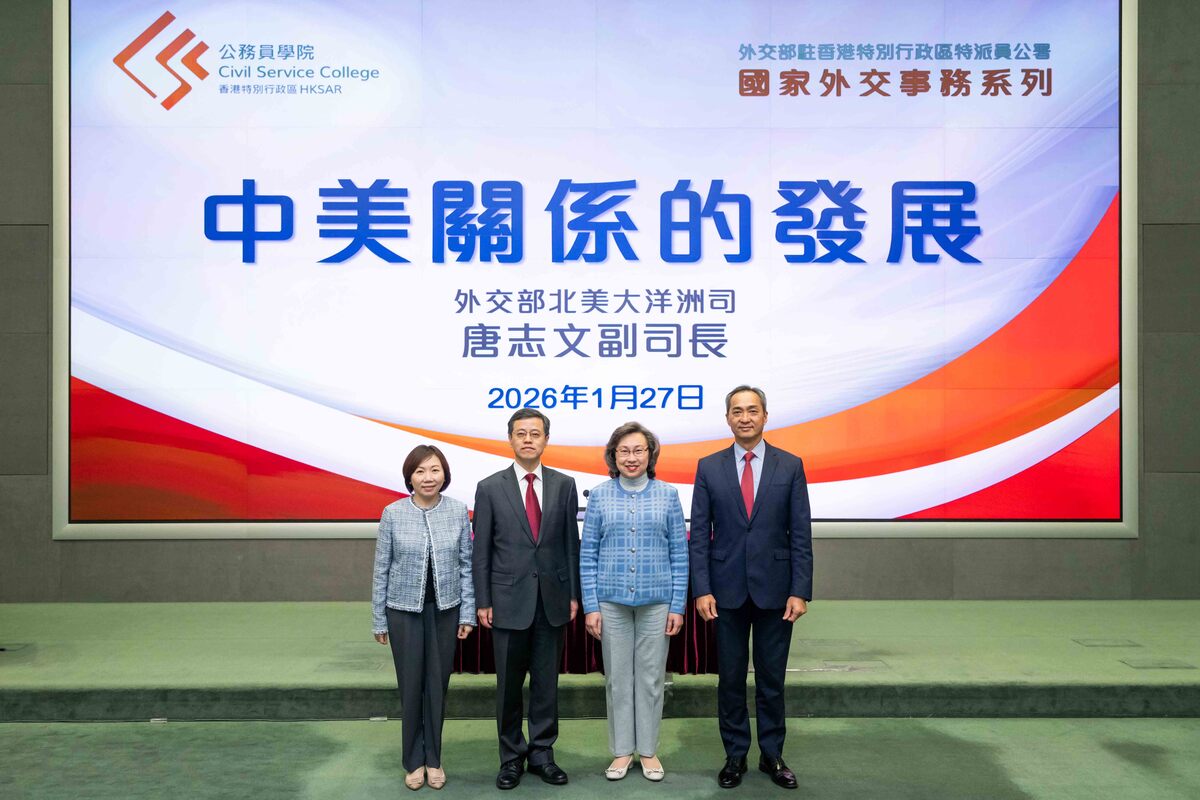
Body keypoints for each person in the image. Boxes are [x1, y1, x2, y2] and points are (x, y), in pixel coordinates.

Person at [689, 386, 813, 791]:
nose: (745, 418)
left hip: (776, 591)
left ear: (765, 416)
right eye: (737, 411)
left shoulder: (789, 465)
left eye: (752, 410)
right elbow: (699, 535)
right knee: (730, 679)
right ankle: (735, 754)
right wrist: (702, 589)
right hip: (723, 592)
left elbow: (800, 533)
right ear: (727, 418)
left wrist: (800, 590)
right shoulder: (709, 467)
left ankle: (772, 754)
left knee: (771, 679)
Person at [473, 408, 580, 790]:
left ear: (546, 439)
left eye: (536, 433)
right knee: (508, 686)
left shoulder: (565, 484)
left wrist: (573, 594)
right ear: (511, 439)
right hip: (506, 601)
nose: (528, 439)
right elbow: (481, 550)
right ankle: (510, 758)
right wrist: (483, 599)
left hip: (552, 600)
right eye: (521, 433)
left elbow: (570, 544)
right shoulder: (490, 487)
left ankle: (542, 754)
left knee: (546, 684)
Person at [579, 421, 688, 782]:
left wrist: (677, 605)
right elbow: (588, 555)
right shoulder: (599, 496)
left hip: (657, 602)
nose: (631, 457)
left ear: (650, 454)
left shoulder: (668, 495)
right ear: (613, 456)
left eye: (638, 450)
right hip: (611, 603)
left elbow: (679, 554)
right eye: (623, 451)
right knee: (618, 680)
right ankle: (622, 751)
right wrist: (591, 606)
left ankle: (649, 751)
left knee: (651, 679)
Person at [372, 444, 476, 790]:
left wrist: (467, 612)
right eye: (420, 471)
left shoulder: (458, 511)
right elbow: (381, 568)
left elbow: (466, 565)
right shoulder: (393, 513)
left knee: (437, 686)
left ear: (444, 474)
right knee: (411, 686)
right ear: (410, 477)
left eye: (434, 470)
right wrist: (379, 618)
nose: (428, 477)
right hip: (402, 612)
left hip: (446, 611)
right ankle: (413, 760)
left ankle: (434, 759)